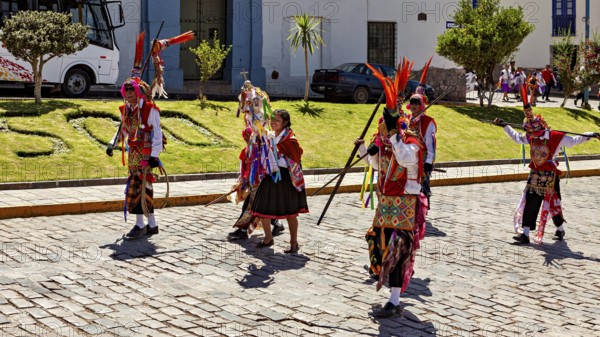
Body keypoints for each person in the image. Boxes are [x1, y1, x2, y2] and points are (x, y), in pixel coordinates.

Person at [494, 84, 599, 244]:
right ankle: (526, 233)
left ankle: (560, 229)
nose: (532, 135)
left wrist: (590, 135)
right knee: (531, 199)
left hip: (550, 174)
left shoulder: (555, 136)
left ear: (541, 125)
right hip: (535, 173)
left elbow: (574, 141)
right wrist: (505, 126)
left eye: (533, 130)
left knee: (552, 201)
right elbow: (518, 138)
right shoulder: (531, 136)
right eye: (530, 131)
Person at [357, 111, 427, 318]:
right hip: (386, 202)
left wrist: (394, 137)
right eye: (381, 130)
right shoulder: (388, 146)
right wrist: (368, 151)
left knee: (397, 248)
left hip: (405, 202)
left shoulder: (411, 143)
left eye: (386, 128)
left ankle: (394, 300)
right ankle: (381, 272)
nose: (382, 134)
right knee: (379, 241)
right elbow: (378, 166)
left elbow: (405, 158)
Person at [251, 109, 308, 253]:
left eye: (277, 120)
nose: (273, 123)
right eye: (272, 119)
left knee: (290, 212)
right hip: (271, 177)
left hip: (286, 179)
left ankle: (294, 243)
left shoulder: (290, 140)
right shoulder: (269, 136)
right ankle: (268, 238)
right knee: (262, 208)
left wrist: (275, 159)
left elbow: (295, 160)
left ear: (285, 123)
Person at [227, 128, 285, 240]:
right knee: (260, 207)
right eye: (246, 137)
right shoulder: (246, 151)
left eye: (250, 136)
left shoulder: (265, 151)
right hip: (252, 182)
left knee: (252, 206)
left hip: (262, 182)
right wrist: (243, 179)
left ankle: (243, 230)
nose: (247, 139)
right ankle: (277, 223)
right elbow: (243, 168)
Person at [407, 94, 436, 208]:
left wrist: (429, 161)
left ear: (421, 105)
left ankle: (422, 207)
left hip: (422, 157)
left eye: (417, 103)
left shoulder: (428, 122)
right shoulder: (407, 119)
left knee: (423, 182)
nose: (414, 106)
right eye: (412, 103)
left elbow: (430, 143)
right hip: (408, 156)